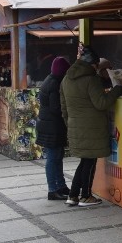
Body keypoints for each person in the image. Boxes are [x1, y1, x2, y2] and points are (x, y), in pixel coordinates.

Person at [60, 46, 122, 207]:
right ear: (92, 65)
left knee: (84, 162)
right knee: (89, 163)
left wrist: (70, 124)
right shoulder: (91, 79)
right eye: (96, 66)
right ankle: (86, 196)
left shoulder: (66, 79)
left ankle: (73, 195)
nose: (97, 69)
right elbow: (101, 103)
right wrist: (117, 90)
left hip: (76, 126)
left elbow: (63, 107)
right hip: (91, 127)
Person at [36, 57, 72, 200]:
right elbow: (56, 108)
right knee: (53, 158)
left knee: (57, 156)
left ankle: (61, 186)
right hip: (52, 126)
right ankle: (53, 189)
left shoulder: (50, 80)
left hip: (50, 125)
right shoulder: (54, 84)